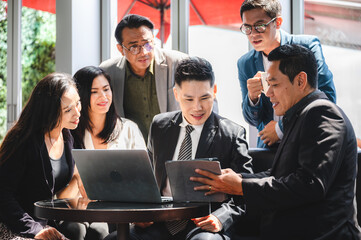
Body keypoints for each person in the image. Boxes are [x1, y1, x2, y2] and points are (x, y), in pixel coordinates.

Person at [192, 44, 361, 239]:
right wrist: (237, 179)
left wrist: (241, 186)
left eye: (274, 84)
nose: (268, 93)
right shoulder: (301, 115)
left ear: (300, 80)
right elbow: (280, 175)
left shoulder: (323, 113)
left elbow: (310, 185)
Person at [104, 57, 253, 240]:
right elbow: (147, 178)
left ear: (214, 91)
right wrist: (140, 214)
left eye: (205, 97)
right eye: (188, 99)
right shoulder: (160, 125)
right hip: (160, 222)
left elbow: (246, 192)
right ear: (176, 94)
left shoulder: (232, 133)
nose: (197, 107)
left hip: (205, 224)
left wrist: (220, 218)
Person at [237, 0, 336, 148]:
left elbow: (326, 98)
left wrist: (281, 128)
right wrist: (252, 99)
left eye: (260, 26)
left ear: (277, 22)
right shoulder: (246, 63)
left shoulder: (307, 47)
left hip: (307, 141)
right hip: (269, 148)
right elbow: (253, 121)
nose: (253, 34)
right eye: (247, 28)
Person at [0, 73, 84, 240]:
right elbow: (3, 194)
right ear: (49, 111)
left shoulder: (66, 136)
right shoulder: (22, 140)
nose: (77, 113)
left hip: (43, 222)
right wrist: (34, 229)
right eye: (68, 109)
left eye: (78, 103)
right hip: (14, 224)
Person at [100, 14, 188, 140]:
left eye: (147, 44)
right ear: (120, 49)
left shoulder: (179, 63)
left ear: (153, 39)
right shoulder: (108, 71)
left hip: (174, 145)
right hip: (132, 150)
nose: (144, 52)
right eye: (134, 47)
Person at [71, 66, 145, 150]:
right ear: (81, 95)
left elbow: (142, 163)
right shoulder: (71, 132)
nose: (103, 96)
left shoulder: (129, 129)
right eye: (94, 92)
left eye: (106, 89)